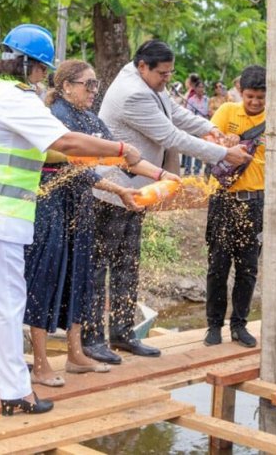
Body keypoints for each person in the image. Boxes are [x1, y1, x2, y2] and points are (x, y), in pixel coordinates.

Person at [0, 25, 143, 416]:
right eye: (42, 70)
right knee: (6, 302)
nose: (42, 77)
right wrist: (122, 149)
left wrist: (103, 157)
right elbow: (64, 142)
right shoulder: (17, 100)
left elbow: (53, 154)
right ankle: (17, 392)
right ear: (32, 67)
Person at [83, 39, 250, 365]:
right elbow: (170, 136)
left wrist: (212, 129)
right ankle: (92, 339)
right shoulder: (133, 93)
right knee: (99, 269)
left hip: (135, 192)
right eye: (163, 73)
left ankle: (122, 332)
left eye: (170, 74)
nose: (166, 79)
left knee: (127, 267)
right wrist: (224, 153)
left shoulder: (148, 82)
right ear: (143, 66)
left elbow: (176, 112)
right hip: (111, 193)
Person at [24, 59, 177, 387]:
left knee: (79, 276)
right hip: (51, 206)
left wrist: (162, 175)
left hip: (81, 206)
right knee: (47, 279)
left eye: (96, 85)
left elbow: (125, 159)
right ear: (66, 86)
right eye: (87, 84)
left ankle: (75, 354)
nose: (94, 91)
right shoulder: (55, 119)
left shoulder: (91, 120)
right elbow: (77, 167)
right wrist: (118, 187)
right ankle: (39, 363)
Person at [203, 64, 266, 348]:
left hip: (255, 203)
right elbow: (205, 138)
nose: (254, 102)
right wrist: (220, 139)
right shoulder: (227, 111)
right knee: (218, 265)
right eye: (249, 96)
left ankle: (239, 325)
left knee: (248, 267)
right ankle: (213, 326)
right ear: (240, 92)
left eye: (260, 98)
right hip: (224, 200)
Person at [182, 74, 209, 176]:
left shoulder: (207, 99)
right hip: (193, 126)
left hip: (203, 126)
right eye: (199, 87)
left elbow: (208, 111)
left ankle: (197, 169)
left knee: (201, 148)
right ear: (195, 88)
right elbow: (188, 112)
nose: (201, 89)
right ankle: (187, 169)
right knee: (190, 147)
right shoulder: (191, 99)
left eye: (202, 87)